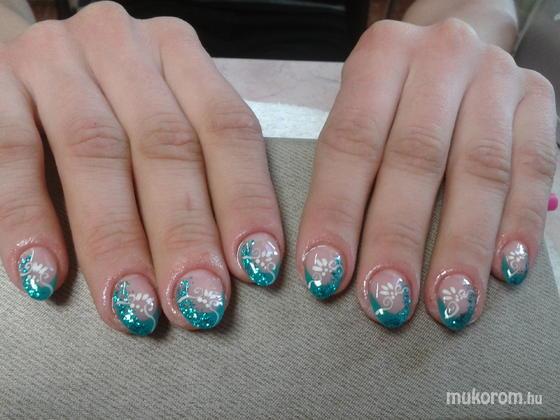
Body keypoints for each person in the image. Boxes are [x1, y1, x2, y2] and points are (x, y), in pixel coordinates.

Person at [0, 0, 556, 335]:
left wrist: (456, 54)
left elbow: (481, 4)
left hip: (343, 87)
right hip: (90, 80)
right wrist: (17, 55)